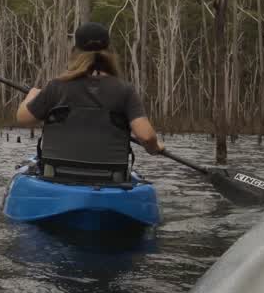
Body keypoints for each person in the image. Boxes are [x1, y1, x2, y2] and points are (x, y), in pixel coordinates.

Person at [16, 22, 163, 184]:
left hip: (58, 177)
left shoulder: (56, 86)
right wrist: (154, 148)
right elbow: (147, 136)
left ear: (75, 52)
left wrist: (32, 95)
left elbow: (23, 118)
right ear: (109, 53)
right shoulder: (125, 91)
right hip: (110, 180)